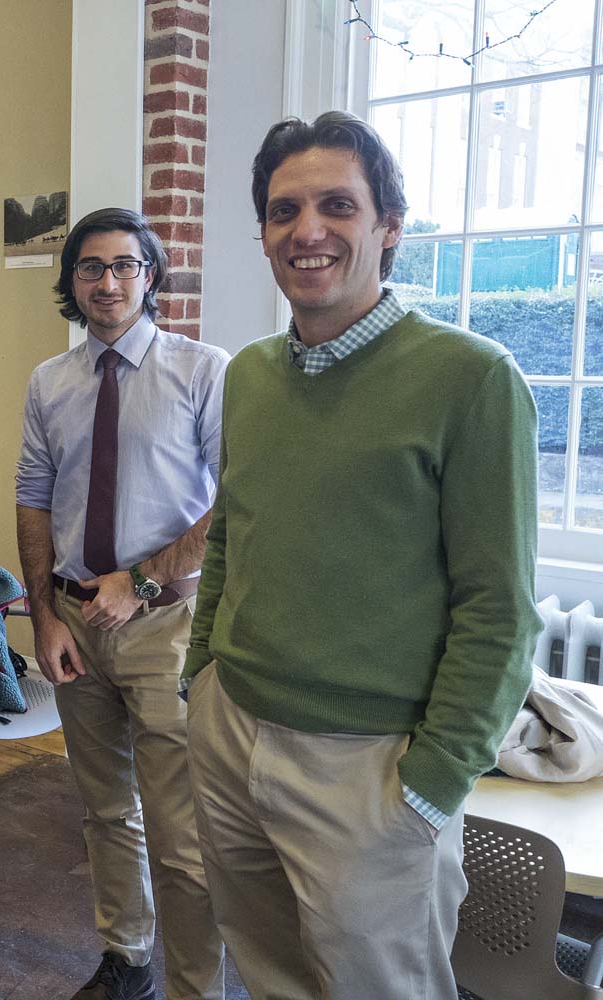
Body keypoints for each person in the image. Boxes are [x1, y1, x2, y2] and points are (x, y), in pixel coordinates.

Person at [184, 110, 543, 1000]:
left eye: (337, 205)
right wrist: (200, 679)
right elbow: (231, 530)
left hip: (371, 766)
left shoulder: (472, 378)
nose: (307, 231)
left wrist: (431, 784)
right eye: (283, 210)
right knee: (267, 975)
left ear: (389, 226)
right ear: (263, 233)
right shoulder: (252, 375)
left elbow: (499, 609)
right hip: (232, 731)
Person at [15, 208, 227, 1000]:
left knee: (182, 836)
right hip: (74, 628)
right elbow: (33, 500)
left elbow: (232, 499)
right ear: (71, 282)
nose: (107, 282)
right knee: (106, 813)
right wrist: (43, 618)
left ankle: (197, 987)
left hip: (166, 627)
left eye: (124, 266)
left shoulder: (203, 370)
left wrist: (137, 583)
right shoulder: (49, 382)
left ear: (151, 275)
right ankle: (127, 958)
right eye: (90, 267)